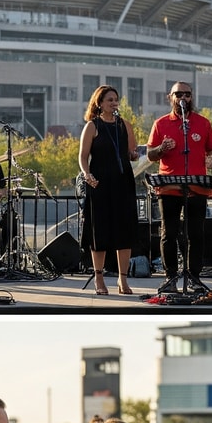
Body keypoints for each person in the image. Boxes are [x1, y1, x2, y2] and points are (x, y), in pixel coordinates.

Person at [146, 80, 212, 294]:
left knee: (196, 233)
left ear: (192, 97)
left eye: (187, 94)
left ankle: (194, 276)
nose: (183, 98)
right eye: (178, 94)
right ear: (170, 97)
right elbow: (150, 155)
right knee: (168, 233)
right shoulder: (160, 124)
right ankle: (170, 277)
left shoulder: (202, 123)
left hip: (197, 186)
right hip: (169, 187)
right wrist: (161, 148)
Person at [77, 84, 141, 296]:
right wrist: (87, 175)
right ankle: (99, 278)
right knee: (100, 231)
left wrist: (135, 155)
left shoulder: (124, 125)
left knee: (124, 230)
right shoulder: (92, 126)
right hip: (100, 182)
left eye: (116, 99)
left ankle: (123, 280)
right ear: (100, 103)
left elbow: (132, 153)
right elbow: (83, 156)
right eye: (110, 100)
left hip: (123, 181)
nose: (114, 103)